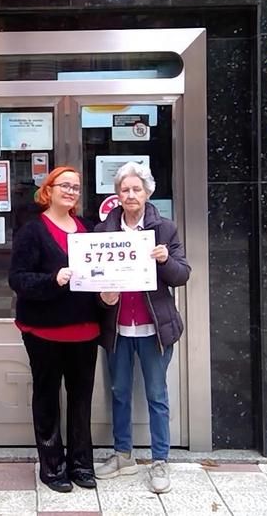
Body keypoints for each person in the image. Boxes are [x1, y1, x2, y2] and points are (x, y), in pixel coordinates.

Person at [95, 162, 191, 494]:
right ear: (117, 195)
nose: (131, 195)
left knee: (156, 395)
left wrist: (165, 260)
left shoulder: (165, 229)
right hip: (118, 328)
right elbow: (91, 280)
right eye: (125, 189)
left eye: (137, 189)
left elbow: (182, 275)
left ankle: (160, 460)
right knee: (119, 392)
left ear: (147, 192)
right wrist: (103, 298)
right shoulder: (103, 232)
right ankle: (123, 455)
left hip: (154, 329)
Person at [8, 166, 101, 493]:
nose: (71, 191)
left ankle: (81, 464)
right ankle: (52, 467)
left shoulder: (88, 229)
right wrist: (53, 279)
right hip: (44, 331)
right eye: (65, 185)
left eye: (76, 187)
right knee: (47, 399)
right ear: (48, 190)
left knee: (81, 400)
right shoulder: (32, 231)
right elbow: (17, 279)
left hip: (86, 330)